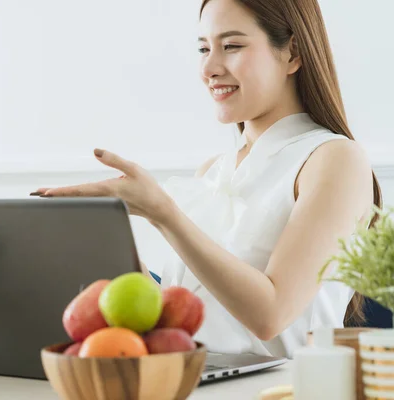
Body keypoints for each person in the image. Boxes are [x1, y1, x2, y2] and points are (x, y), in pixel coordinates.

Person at [30, 0, 382, 359]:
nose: (209, 68)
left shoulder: (334, 158)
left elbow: (271, 316)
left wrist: (164, 214)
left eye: (231, 46)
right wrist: (107, 239)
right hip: (190, 381)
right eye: (203, 48)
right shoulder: (213, 172)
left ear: (292, 53)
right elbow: (175, 324)